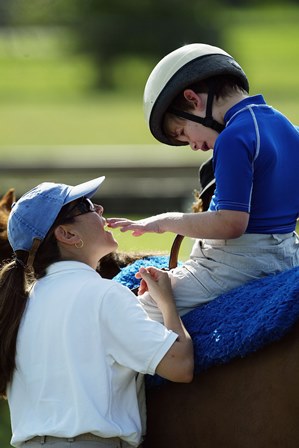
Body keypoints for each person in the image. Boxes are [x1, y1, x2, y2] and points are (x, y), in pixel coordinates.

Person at [107, 43, 299, 323]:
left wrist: (164, 221)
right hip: (288, 253)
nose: (194, 146)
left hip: (236, 264)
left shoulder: (234, 137)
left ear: (193, 99)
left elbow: (230, 224)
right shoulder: (289, 129)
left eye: (183, 132)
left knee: (136, 314)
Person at [0, 176, 194, 448]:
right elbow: (180, 365)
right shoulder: (105, 295)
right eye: (87, 206)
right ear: (67, 235)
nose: (100, 209)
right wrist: (167, 303)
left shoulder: (18, 308)